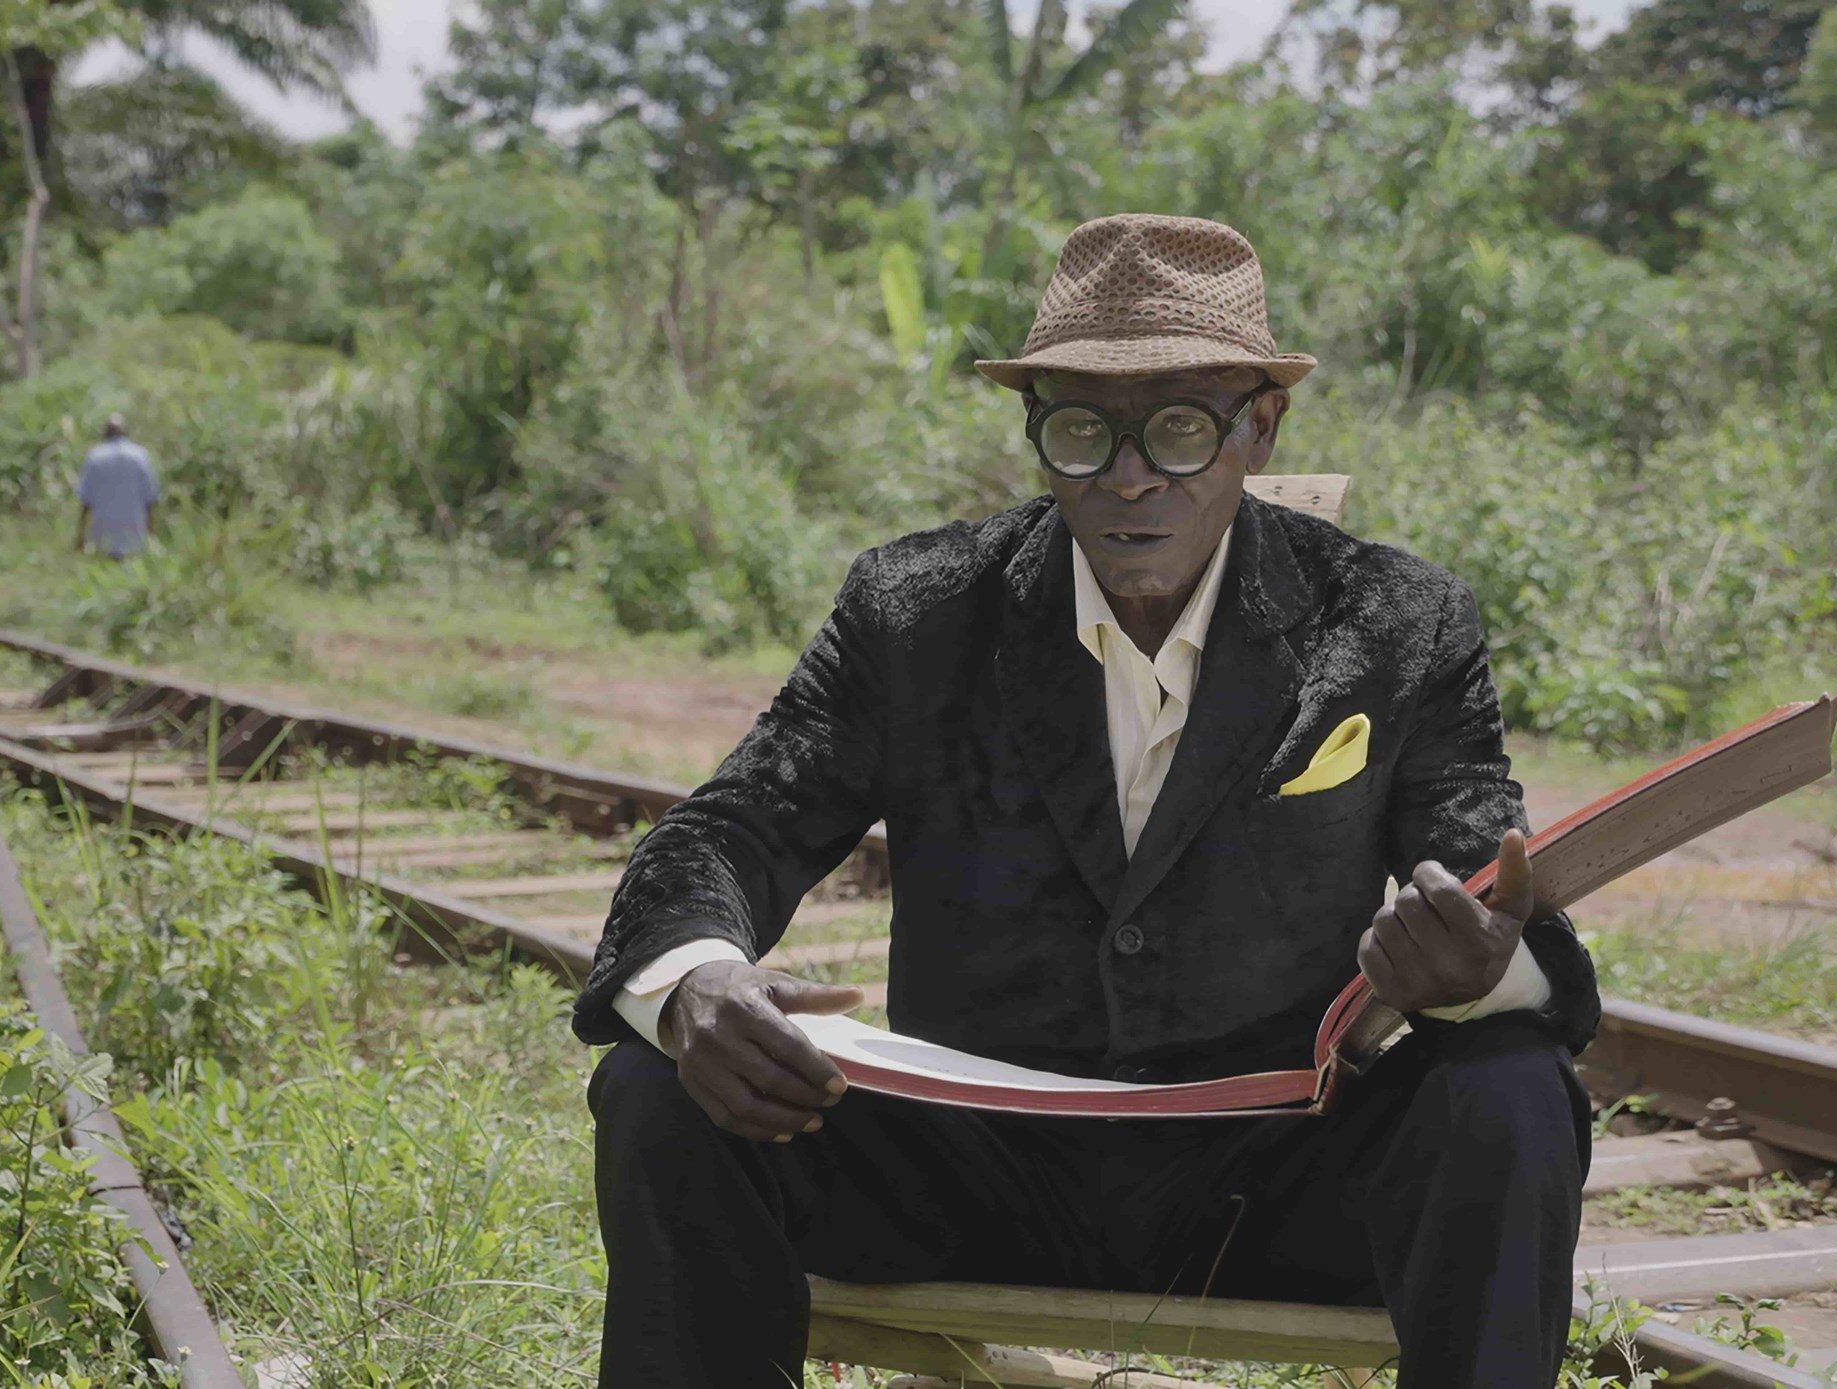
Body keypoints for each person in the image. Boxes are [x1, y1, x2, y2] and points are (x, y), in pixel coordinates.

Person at [577, 214, 1599, 1389]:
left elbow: (1502, 890)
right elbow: (731, 827)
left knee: (1510, 1090)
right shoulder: (916, 612)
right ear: (1034, 431)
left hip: (1271, 1183)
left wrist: (1478, 970)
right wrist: (692, 979)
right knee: (661, 1082)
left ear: (1258, 428)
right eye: (1081, 430)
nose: (1127, 478)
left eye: (1177, 429)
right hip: (962, 1174)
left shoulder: (1395, 624)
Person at [75, 413, 157, 559]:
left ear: (105, 433)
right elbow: (149, 497)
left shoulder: (94, 456)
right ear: (126, 433)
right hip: (133, 529)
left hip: (103, 530)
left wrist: (81, 534)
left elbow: (86, 500)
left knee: (104, 572)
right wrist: (150, 531)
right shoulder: (140, 455)